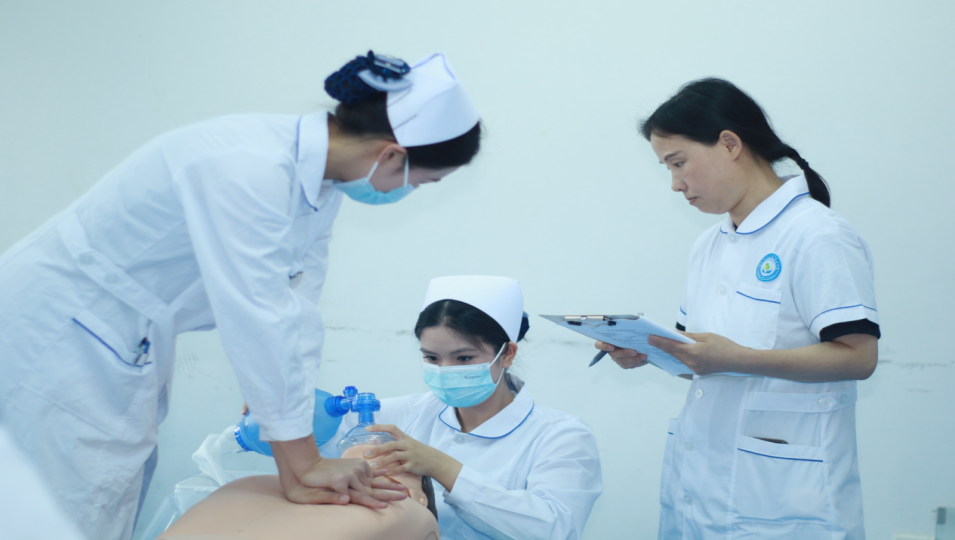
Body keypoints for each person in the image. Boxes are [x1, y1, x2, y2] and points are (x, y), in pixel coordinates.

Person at [0, 50, 482, 540]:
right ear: (391, 155)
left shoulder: (319, 189)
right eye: (423, 181)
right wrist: (305, 464)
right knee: (67, 497)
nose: (410, 191)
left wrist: (290, 427)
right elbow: (259, 318)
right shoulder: (250, 166)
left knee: (108, 487)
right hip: (64, 328)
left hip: (125, 336)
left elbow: (298, 315)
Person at [596, 78, 880, 539]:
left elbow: (859, 357)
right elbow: (705, 360)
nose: (675, 184)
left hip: (783, 502)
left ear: (730, 144)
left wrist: (736, 358)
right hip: (700, 491)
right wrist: (649, 351)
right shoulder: (709, 245)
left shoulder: (819, 236)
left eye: (678, 163)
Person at [321, 275, 603, 540]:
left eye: (464, 358)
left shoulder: (562, 435)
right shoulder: (397, 414)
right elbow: (313, 448)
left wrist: (442, 467)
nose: (445, 370)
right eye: (432, 358)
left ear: (507, 354)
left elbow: (556, 528)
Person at [158, 442, 440, 540]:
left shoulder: (409, 509)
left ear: (420, 496)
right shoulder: (414, 516)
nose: (361, 468)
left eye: (381, 471)